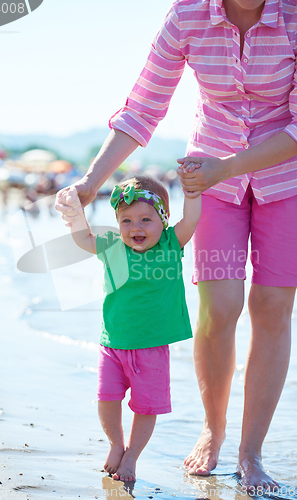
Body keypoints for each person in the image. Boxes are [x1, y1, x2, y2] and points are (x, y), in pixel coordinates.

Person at [55, 0, 297, 491]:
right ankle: (214, 428)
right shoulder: (188, 16)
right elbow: (143, 107)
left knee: (272, 307)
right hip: (209, 189)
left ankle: (251, 453)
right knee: (220, 305)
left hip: (284, 179)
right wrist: (91, 181)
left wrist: (229, 165)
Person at [60, 174, 201, 482]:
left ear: (163, 220)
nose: (136, 228)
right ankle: (115, 444)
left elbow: (191, 220)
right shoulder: (112, 248)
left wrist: (192, 192)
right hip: (113, 343)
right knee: (106, 397)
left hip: (152, 347)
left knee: (146, 407)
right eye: (127, 221)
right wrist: (74, 214)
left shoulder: (170, 242)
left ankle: (132, 456)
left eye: (146, 219)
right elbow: (83, 239)